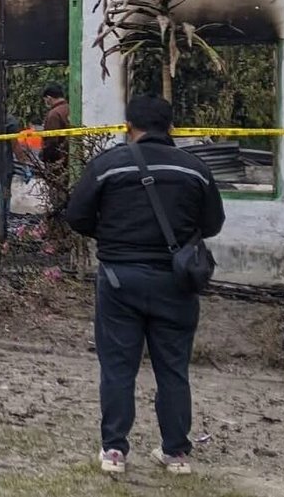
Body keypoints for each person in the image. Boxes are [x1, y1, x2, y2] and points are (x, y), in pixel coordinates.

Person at [64, 94, 225, 476]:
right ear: (171, 127)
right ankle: (176, 454)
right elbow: (214, 224)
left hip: (120, 279)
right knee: (173, 368)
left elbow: (76, 216)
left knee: (118, 367)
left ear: (128, 127)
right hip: (177, 283)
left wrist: (113, 236)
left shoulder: (108, 166)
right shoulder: (195, 169)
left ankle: (114, 452)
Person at [42, 83, 72, 164]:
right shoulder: (70, 108)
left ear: (48, 98)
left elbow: (51, 141)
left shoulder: (53, 114)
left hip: (59, 160)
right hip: (70, 157)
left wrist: (46, 158)